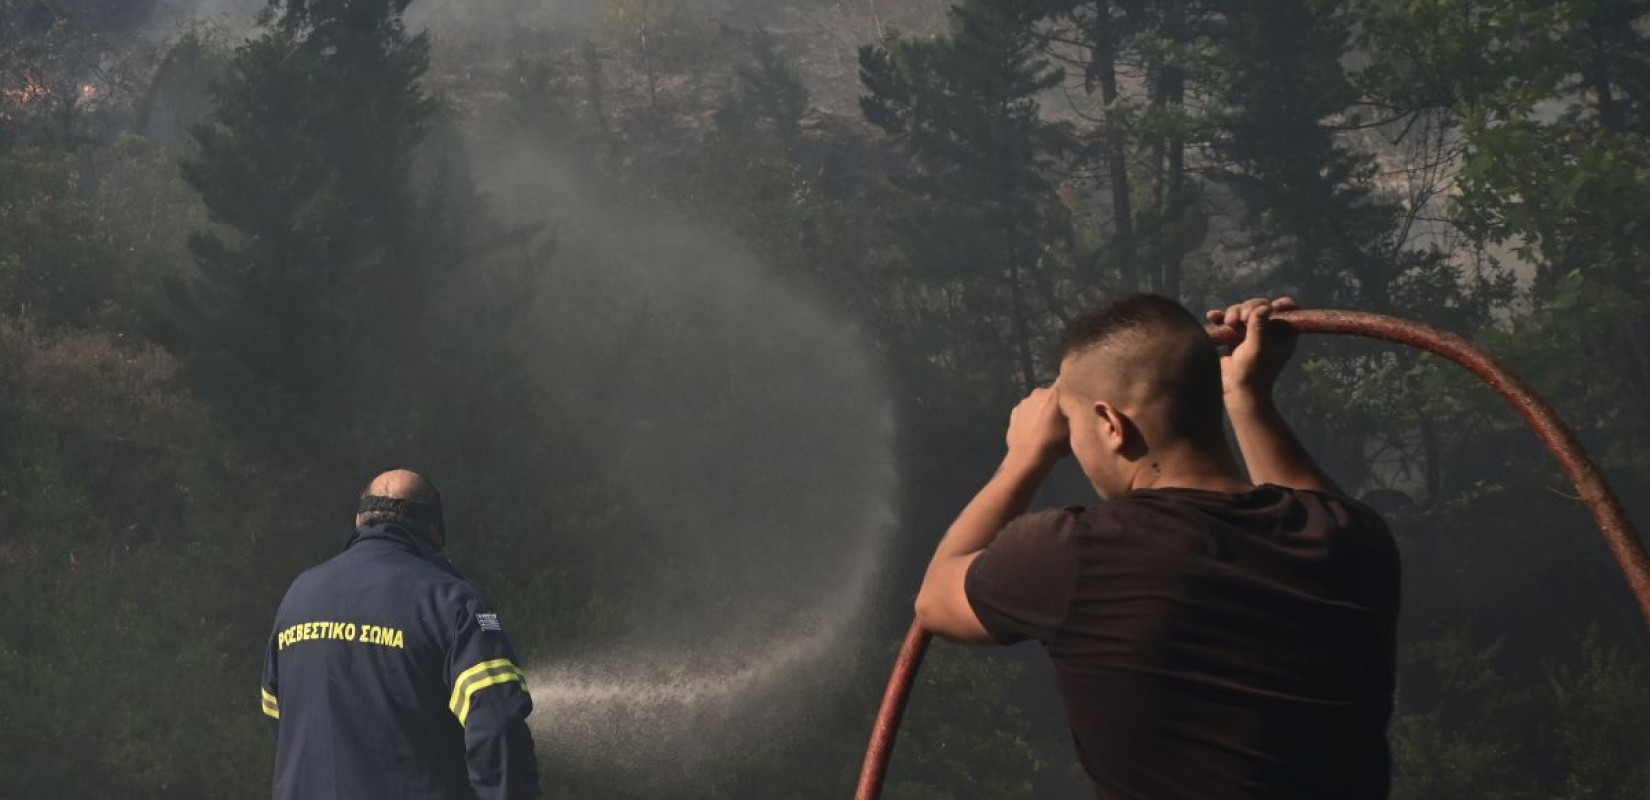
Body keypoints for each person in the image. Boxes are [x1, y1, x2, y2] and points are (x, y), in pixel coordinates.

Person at [914, 295, 1400, 800]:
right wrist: (1248, 397)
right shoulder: (1354, 538)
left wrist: (1025, 458)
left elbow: (934, 600)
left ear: (1110, 424)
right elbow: (1310, 505)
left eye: (1073, 428)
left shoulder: (1074, 554)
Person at [260, 469, 540, 800]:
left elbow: (278, 713)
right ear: (434, 530)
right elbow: (498, 723)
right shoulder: (454, 603)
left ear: (359, 520)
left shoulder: (298, 596)